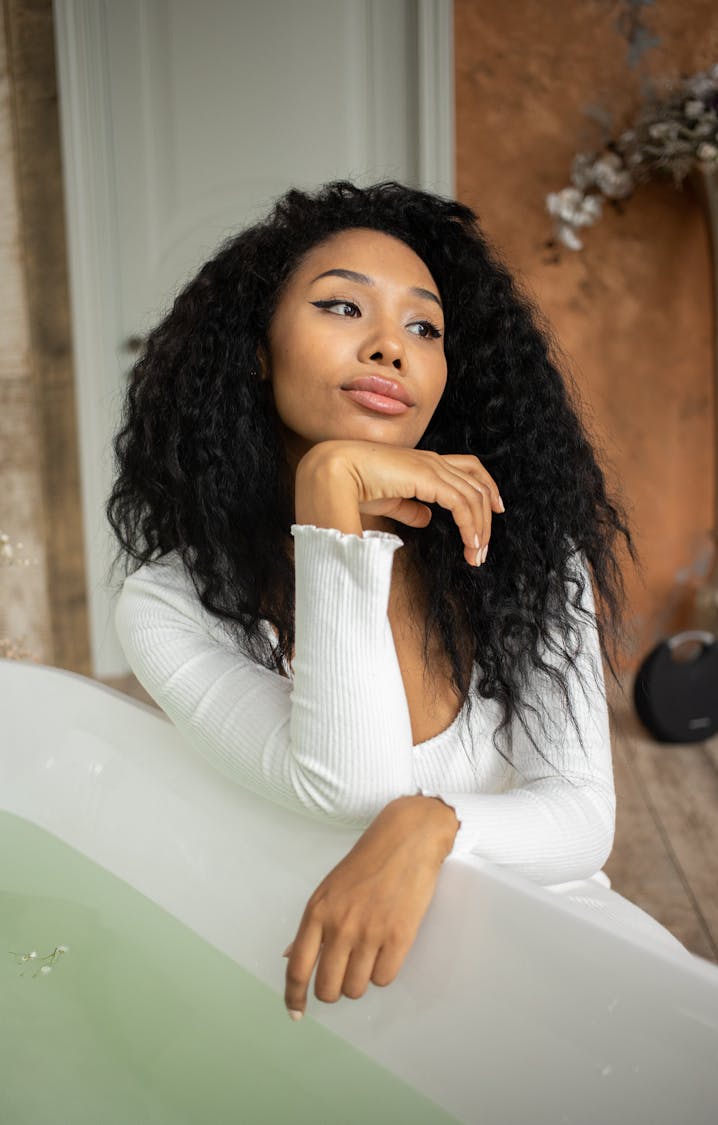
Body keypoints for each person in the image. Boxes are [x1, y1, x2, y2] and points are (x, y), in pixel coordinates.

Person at [107, 179, 681, 1022]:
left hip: (560, 943)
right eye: (344, 308)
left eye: (424, 326)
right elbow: (350, 785)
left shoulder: (522, 551)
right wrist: (331, 490)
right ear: (256, 347)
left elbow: (581, 818)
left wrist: (432, 822)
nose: (391, 347)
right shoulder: (166, 603)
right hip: (352, 982)